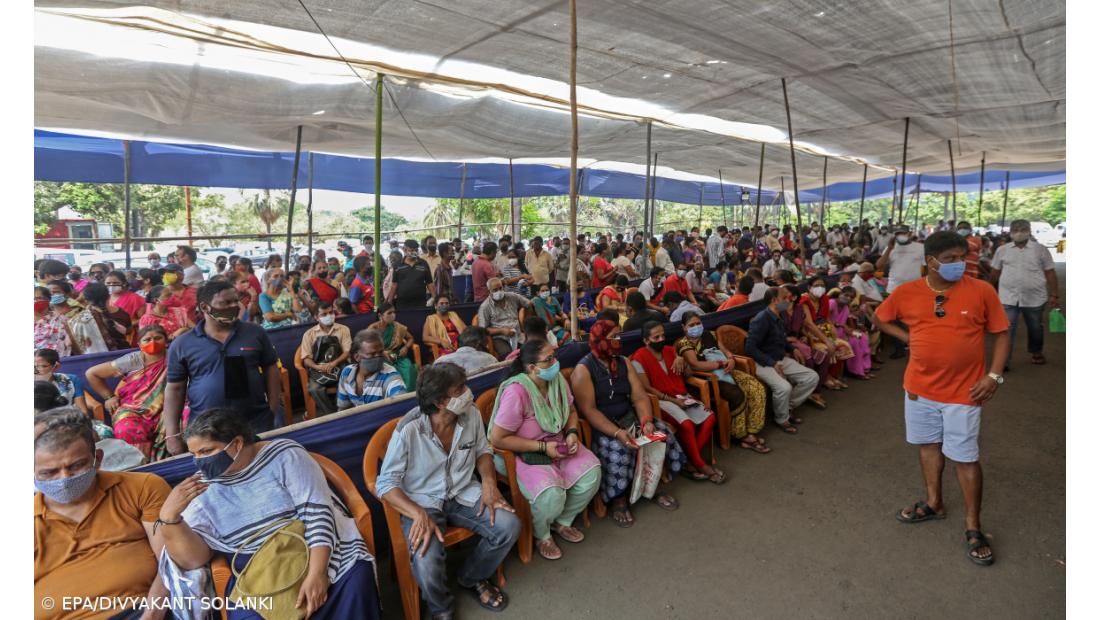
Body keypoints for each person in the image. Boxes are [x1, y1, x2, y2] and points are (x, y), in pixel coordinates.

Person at [160, 407, 380, 619]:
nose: (199, 461)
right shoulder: (201, 488)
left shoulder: (283, 455)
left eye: (206, 451)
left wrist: (317, 574)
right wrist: (171, 518)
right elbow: (194, 559)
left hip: (313, 548)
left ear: (236, 443)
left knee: (356, 581)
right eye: (194, 454)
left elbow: (317, 513)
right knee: (249, 616)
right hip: (256, 571)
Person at [873, 231, 1010, 567]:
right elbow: (879, 317)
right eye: (950, 259)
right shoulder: (907, 293)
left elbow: (1001, 334)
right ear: (930, 261)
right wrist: (908, 337)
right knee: (928, 446)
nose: (958, 264)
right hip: (919, 390)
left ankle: (972, 526)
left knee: (965, 457)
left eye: (961, 257)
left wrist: (993, 376)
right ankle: (934, 503)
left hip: (964, 394)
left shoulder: (981, 291)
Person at [376, 363, 520, 615]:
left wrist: (488, 483)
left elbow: (483, 450)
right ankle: (441, 607)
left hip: (464, 492)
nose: (468, 392)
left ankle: (471, 577)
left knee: (509, 525)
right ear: (441, 402)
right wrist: (417, 513)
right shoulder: (409, 429)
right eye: (460, 389)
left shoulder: (471, 414)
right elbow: (386, 484)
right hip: (424, 503)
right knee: (426, 560)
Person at [34, 409, 173, 618]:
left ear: (97, 459)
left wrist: (152, 614)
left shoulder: (142, 488)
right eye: (49, 472)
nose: (64, 478)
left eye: (76, 466)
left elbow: (172, 560)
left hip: (137, 611)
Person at [488, 340, 601, 560]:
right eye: (549, 359)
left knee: (592, 473)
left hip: (557, 442)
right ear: (532, 367)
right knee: (551, 495)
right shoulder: (517, 392)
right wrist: (542, 447)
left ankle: (562, 521)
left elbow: (570, 411)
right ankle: (543, 534)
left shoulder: (557, 380)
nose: (555, 363)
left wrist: (571, 433)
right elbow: (498, 438)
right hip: (524, 452)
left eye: (554, 356)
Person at [569, 319, 685, 527]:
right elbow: (589, 411)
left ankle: (652, 484)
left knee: (660, 433)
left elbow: (640, 397)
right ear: (600, 340)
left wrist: (646, 420)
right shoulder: (584, 370)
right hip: (605, 427)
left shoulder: (623, 362)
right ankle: (619, 498)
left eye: (619, 335)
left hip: (630, 417)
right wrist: (616, 432)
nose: (618, 340)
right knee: (619, 449)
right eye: (613, 336)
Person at [163, 280, 284, 449]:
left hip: (256, 422)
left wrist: (272, 409)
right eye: (226, 302)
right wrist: (173, 435)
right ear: (205, 308)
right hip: (206, 430)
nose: (234, 306)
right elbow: (175, 388)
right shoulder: (183, 344)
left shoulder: (254, 332)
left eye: (236, 300)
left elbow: (271, 368)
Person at [631, 322, 725, 483]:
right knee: (687, 424)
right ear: (646, 340)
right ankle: (700, 464)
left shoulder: (670, 351)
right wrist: (672, 400)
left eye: (663, 335)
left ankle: (689, 462)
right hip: (661, 400)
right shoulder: (638, 358)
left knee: (710, 417)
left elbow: (687, 375)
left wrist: (682, 360)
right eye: (656, 337)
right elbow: (646, 388)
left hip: (681, 395)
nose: (661, 339)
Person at [674, 313, 771, 453]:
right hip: (709, 378)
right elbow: (695, 365)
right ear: (684, 328)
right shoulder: (684, 343)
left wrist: (731, 360)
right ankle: (741, 434)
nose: (696, 327)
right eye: (691, 325)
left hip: (727, 371)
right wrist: (719, 364)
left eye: (698, 323)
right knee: (736, 394)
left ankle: (751, 430)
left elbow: (726, 352)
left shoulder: (710, 335)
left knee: (756, 388)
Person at [84, 325, 172, 460]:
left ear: (166, 341)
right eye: (147, 340)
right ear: (139, 344)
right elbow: (92, 373)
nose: (152, 342)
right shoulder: (133, 360)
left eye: (157, 338)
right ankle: (139, 465)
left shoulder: (175, 355)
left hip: (169, 406)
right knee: (126, 428)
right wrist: (109, 397)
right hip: (134, 408)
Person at [745, 287, 821, 433]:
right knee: (784, 387)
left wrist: (793, 349)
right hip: (762, 362)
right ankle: (782, 418)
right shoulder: (762, 319)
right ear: (775, 300)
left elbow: (781, 338)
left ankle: (786, 408)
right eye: (785, 297)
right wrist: (772, 363)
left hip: (779, 358)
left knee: (811, 377)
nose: (789, 300)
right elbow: (750, 348)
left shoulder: (780, 315)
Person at [990, 220, 1059, 368]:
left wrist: (1054, 294)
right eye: (1015, 229)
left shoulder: (1040, 250)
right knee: (1007, 329)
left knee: (1035, 327)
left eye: (1022, 229)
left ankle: (1036, 352)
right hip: (1008, 297)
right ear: (1010, 232)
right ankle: (1004, 361)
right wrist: (989, 291)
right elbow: (995, 272)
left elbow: (1050, 272)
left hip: (1034, 298)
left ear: (1029, 231)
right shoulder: (1002, 250)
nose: (1019, 232)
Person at [300, 301, 353, 416]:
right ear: (316, 317)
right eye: (324, 314)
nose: (329, 316)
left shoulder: (343, 329)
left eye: (331, 312)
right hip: (319, 368)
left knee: (349, 380)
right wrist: (317, 366)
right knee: (314, 388)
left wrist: (334, 363)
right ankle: (332, 415)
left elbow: (347, 352)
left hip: (340, 365)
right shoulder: (309, 334)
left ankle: (346, 410)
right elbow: (306, 358)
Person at [336, 328, 407, 410]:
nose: (378, 357)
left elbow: (401, 403)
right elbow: (343, 408)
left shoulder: (390, 376)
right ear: (357, 357)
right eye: (372, 354)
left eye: (380, 352)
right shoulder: (347, 373)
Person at [69, 282, 132, 353]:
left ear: (86, 300)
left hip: (96, 360)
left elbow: (71, 343)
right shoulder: (121, 313)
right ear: (108, 296)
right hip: (122, 354)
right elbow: (129, 331)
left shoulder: (77, 320)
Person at [369, 302, 419, 390]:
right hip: (381, 358)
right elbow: (367, 346)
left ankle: (409, 396)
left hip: (398, 356)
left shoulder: (397, 326)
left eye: (394, 312)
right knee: (391, 373)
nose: (393, 315)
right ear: (380, 315)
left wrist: (406, 347)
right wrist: (382, 352)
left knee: (409, 369)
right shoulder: (373, 328)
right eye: (389, 313)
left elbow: (410, 338)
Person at [478, 278, 533, 359]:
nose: (499, 291)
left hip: (517, 334)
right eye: (495, 290)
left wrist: (526, 323)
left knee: (530, 351)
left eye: (500, 288)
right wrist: (502, 330)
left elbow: (528, 304)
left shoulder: (512, 296)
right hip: (500, 338)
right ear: (489, 291)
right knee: (509, 356)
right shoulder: (485, 307)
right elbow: (483, 330)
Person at [829, 286, 874, 379]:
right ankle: (856, 371)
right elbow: (824, 319)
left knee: (862, 337)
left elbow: (844, 323)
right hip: (830, 331)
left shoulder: (845, 307)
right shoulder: (832, 303)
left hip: (841, 331)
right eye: (846, 295)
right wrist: (840, 325)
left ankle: (865, 368)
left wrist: (849, 330)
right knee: (854, 342)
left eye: (851, 297)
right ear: (840, 294)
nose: (848, 298)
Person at [35, 348, 90, 416]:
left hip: (67, 421)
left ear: (56, 366)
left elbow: (83, 411)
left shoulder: (71, 380)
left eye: (43, 366)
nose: (36, 370)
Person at [435, 326, 500, 374]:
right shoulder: (491, 359)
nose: (487, 349)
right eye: (486, 345)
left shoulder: (440, 362)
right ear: (478, 344)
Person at [391, 240, 433, 309]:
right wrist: (389, 301)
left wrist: (435, 298)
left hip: (420, 302)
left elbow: (430, 283)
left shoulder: (423, 263)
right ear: (404, 250)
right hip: (402, 303)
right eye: (411, 250)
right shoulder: (397, 265)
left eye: (416, 250)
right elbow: (394, 285)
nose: (414, 252)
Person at [35, 289, 74, 357]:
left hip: (67, 358)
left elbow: (70, 340)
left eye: (39, 298)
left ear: (48, 299)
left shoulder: (61, 318)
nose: (35, 301)